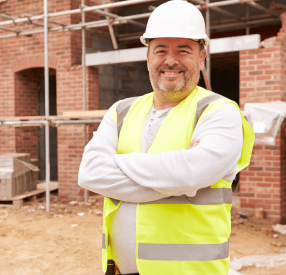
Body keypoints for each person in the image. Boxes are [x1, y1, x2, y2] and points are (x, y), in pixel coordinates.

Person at [78, 1, 254, 275]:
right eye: (160, 50)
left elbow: (189, 174)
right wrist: (179, 178)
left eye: (183, 50)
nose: (170, 60)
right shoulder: (121, 111)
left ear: (201, 57)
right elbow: (90, 173)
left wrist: (118, 162)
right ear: (148, 57)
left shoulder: (219, 112)